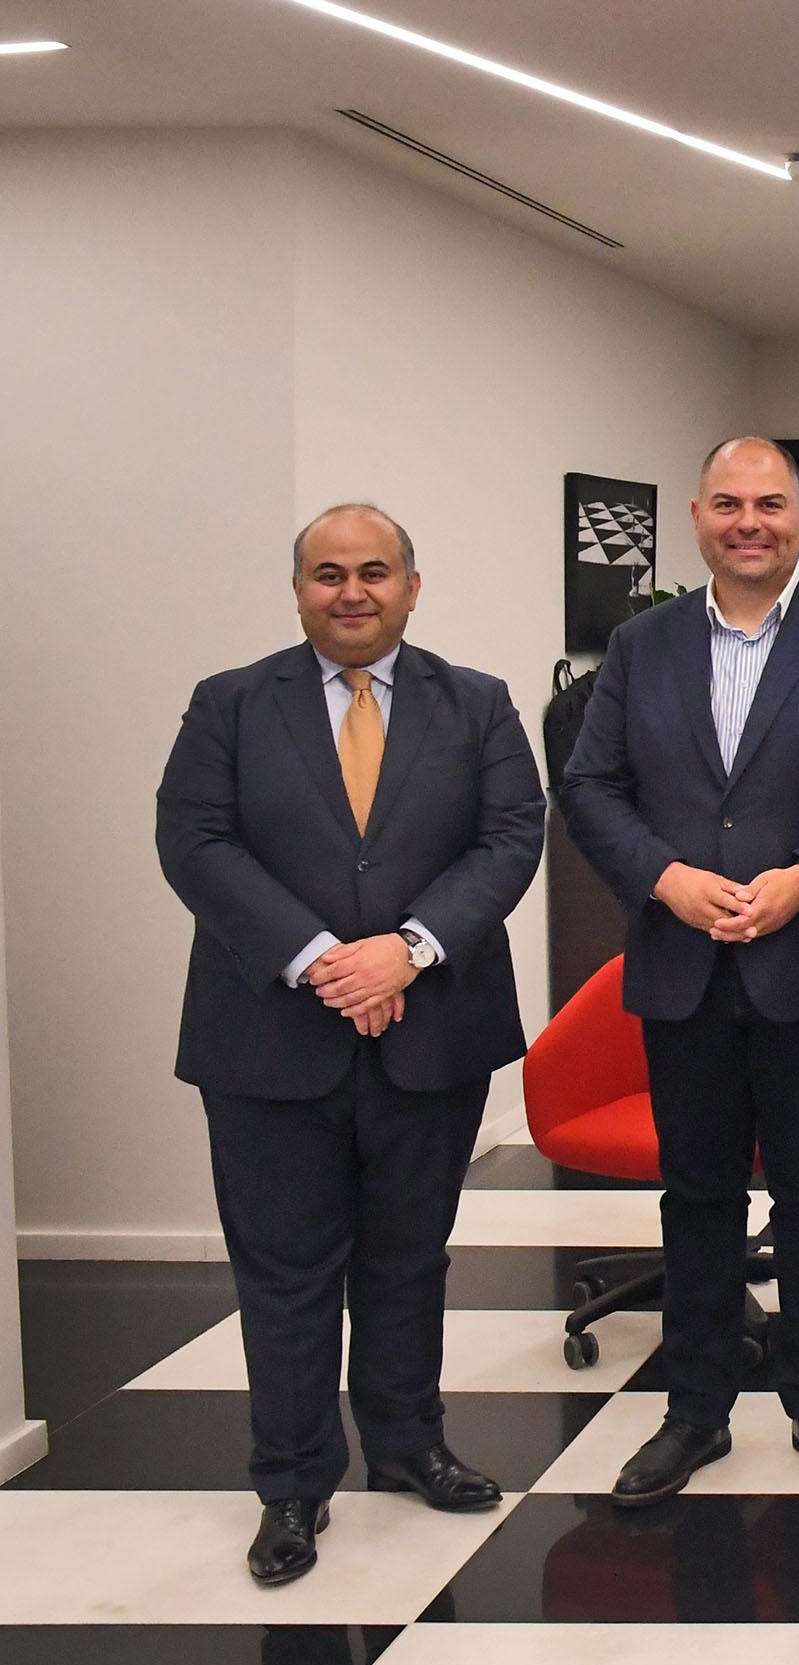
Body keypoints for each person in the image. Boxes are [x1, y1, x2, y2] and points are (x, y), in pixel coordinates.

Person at [155, 503, 544, 1585]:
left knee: (409, 1257)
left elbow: (510, 837)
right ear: (299, 590)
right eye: (328, 573)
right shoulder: (231, 703)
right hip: (269, 1038)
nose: (352, 591)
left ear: (413, 586)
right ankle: (290, 1482)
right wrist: (326, 957)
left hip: (433, 1030)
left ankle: (410, 1441)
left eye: (375, 571)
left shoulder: (478, 703)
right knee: (284, 1272)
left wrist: (406, 952)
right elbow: (194, 839)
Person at [560, 438, 799, 1505]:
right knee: (697, 1194)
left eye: (769, 503)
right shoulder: (642, 643)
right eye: (727, 504)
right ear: (697, 517)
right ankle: (694, 1409)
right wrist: (662, 878)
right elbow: (591, 785)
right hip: (684, 964)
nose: (748, 522)